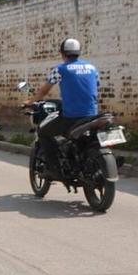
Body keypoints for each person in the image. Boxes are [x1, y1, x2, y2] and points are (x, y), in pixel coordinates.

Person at [28, 38, 100, 174]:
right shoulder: (92, 68)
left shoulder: (60, 70)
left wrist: (30, 102)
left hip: (71, 117)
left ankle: (54, 167)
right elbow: (96, 87)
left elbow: (44, 91)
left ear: (62, 53)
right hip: (92, 115)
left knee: (43, 132)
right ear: (78, 53)